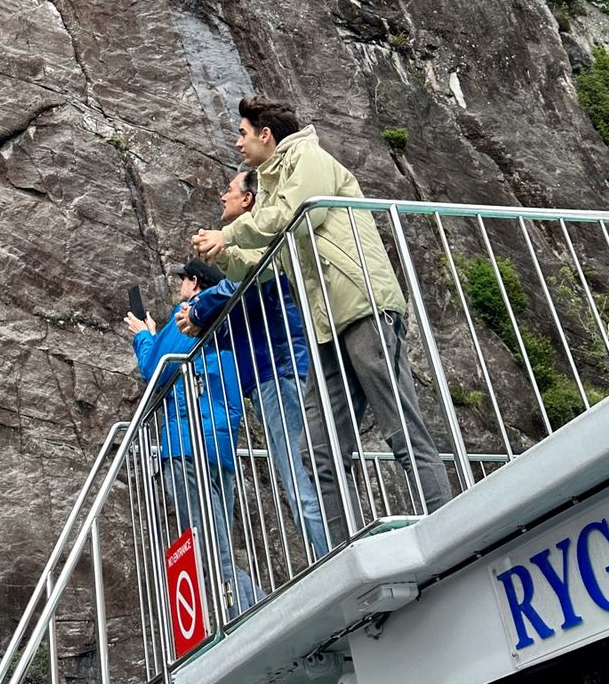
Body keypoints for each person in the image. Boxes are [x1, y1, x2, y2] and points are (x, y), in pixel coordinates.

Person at [192, 95, 452, 541]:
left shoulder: (307, 157)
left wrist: (228, 231)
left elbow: (296, 214)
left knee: (400, 425)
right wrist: (226, 252)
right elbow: (266, 263)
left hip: (362, 304)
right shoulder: (273, 185)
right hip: (327, 326)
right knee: (319, 450)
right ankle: (344, 552)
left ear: (265, 134)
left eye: (242, 132)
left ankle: (448, 525)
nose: (237, 142)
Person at [176, 168, 328, 558]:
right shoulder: (249, 248)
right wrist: (204, 322)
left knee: (301, 478)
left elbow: (236, 287)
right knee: (300, 474)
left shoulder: (258, 245)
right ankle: (335, 549)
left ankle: (338, 552)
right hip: (267, 370)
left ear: (248, 199)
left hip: (279, 367)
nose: (222, 197)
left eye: (229, 190)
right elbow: (239, 315)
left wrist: (197, 311)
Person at [126, 260, 257, 619]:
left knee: (213, 550)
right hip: (220, 447)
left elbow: (155, 368)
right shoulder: (228, 325)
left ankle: (251, 614)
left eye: (183, 279)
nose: (180, 286)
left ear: (194, 283)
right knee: (219, 544)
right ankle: (248, 611)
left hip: (186, 445)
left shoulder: (188, 315)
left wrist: (143, 334)